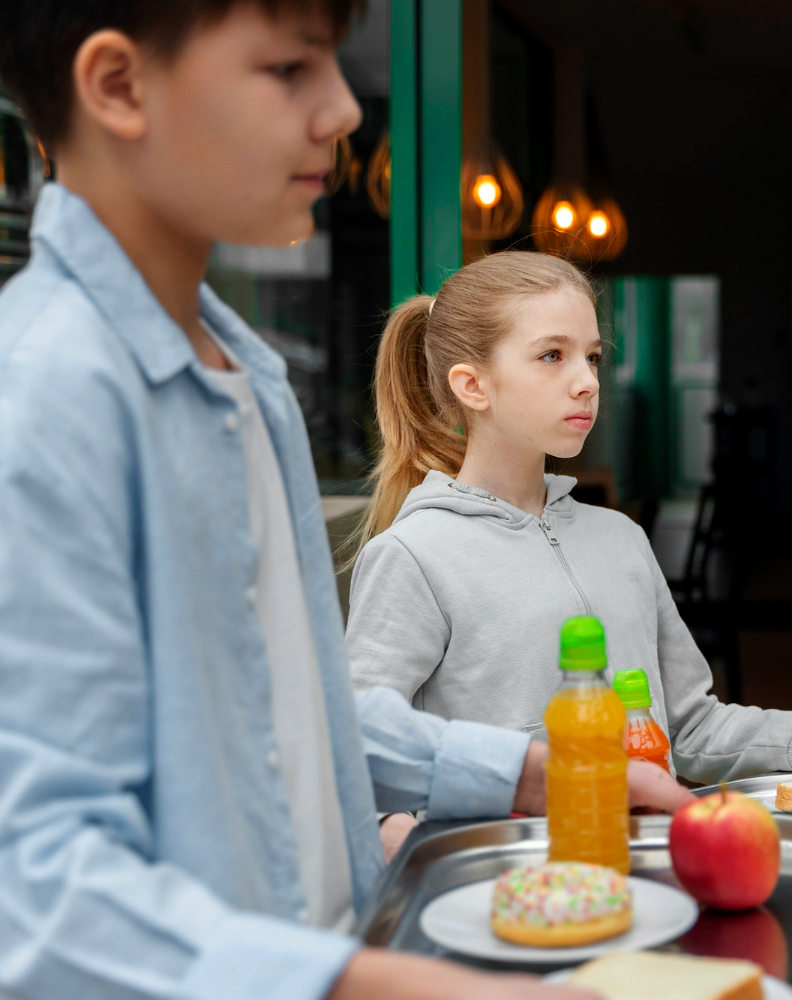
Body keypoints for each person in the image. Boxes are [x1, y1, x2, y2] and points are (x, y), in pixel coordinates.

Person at [0, 4, 690, 999]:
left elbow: (295, 714)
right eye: (289, 69)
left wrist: (533, 771)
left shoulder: (245, 375)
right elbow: (38, 897)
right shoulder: (42, 400)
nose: (339, 110)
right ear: (117, 87)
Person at [343, 251, 792, 811]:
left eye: (592, 357)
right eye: (552, 355)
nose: (588, 382)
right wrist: (397, 833)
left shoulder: (621, 539)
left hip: (647, 875)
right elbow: (361, 750)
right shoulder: (413, 555)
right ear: (473, 386)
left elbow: (686, 724)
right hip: (516, 892)